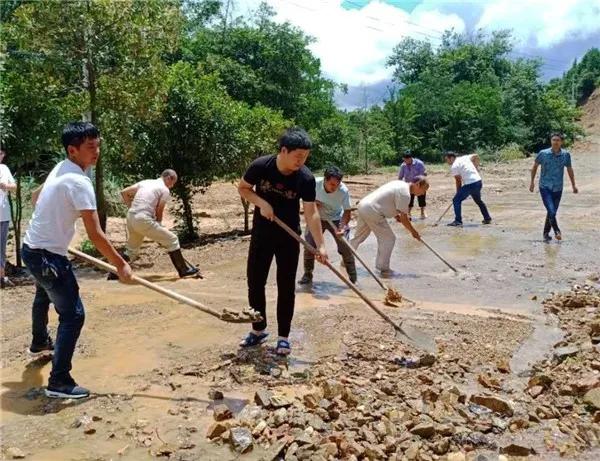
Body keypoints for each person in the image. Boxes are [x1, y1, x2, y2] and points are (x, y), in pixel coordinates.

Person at [22, 122, 132, 399]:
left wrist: (54, 222)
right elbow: (95, 234)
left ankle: (39, 344)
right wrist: (121, 264)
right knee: (73, 315)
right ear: (73, 150)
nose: (96, 152)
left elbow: (36, 197)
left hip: (31, 249)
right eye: (89, 148)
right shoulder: (79, 181)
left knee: (43, 294)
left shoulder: (61, 168)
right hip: (47, 256)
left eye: (98, 146)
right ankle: (59, 381)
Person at [237, 127, 328, 356]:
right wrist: (262, 204)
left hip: (289, 237)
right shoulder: (261, 166)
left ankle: (284, 337)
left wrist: (321, 245)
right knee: (255, 282)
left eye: (305, 157)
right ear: (283, 151)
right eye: (298, 156)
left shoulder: (305, 178)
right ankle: (258, 330)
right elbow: (244, 189)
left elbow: (311, 213)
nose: (301, 161)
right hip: (261, 235)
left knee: (286, 286)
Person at [116, 170, 199, 278]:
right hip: (142, 218)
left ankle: (114, 273)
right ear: (169, 178)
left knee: (131, 250)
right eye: (173, 182)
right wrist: (159, 224)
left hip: (131, 216)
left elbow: (124, 192)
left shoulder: (146, 182)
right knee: (172, 239)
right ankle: (183, 270)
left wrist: (131, 207)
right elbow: (159, 210)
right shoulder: (164, 189)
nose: (172, 186)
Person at [350, 177, 428, 277]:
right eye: (423, 190)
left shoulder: (399, 184)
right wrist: (414, 232)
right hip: (373, 211)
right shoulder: (405, 194)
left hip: (363, 205)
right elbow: (404, 219)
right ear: (417, 185)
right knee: (389, 238)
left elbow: (387, 200)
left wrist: (396, 216)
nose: (423, 194)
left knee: (359, 237)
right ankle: (383, 269)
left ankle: (345, 260)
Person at [298, 165, 357, 285]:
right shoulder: (314, 184)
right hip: (316, 217)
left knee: (345, 247)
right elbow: (303, 201)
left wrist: (342, 226)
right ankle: (307, 275)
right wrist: (313, 203)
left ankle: (353, 278)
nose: (334, 188)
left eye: (337, 184)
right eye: (331, 184)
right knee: (310, 245)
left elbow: (347, 211)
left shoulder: (343, 191)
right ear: (325, 179)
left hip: (336, 218)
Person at [529, 132, 578, 241]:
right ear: (551, 141)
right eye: (553, 140)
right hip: (545, 187)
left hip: (558, 188)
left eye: (558, 140)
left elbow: (569, 169)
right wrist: (532, 182)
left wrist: (573, 185)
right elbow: (534, 167)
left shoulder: (565, 155)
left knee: (552, 212)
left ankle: (546, 234)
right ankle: (557, 230)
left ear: (561, 142)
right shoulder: (543, 153)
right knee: (551, 210)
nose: (555, 142)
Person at [444, 152, 492, 227]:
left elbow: (458, 181)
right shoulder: (465, 157)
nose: (447, 162)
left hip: (470, 184)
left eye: (447, 160)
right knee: (478, 201)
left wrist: (458, 193)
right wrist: (476, 167)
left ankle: (458, 221)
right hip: (478, 181)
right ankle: (487, 218)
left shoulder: (454, 166)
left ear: (452, 158)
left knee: (456, 200)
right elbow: (476, 155)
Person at [0, 146, 17, 289]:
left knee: (1, 247)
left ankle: (2, 276)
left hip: (3, 214)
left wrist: (6, 185)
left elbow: (14, 186)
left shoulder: (4, 169)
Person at [398, 151, 427, 219]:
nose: (406, 161)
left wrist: (419, 183)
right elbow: (400, 177)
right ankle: (409, 213)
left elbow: (424, 174)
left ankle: (422, 212)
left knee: (421, 199)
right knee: (409, 200)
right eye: (404, 160)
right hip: (408, 186)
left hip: (419, 185)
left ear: (411, 158)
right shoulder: (403, 165)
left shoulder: (419, 163)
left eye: (407, 160)